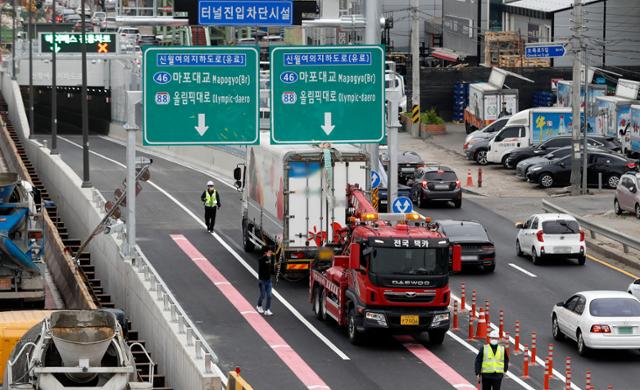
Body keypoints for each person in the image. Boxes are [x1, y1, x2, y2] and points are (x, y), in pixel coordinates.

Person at [256, 246, 274, 316]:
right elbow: (262, 270)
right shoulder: (261, 260)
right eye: (269, 251)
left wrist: (274, 269)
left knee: (269, 296)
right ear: (265, 252)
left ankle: (267, 309)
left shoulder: (271, 258)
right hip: (262, 281)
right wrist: (267, 259)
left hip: (269, 280)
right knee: (263, 295)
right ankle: (259, 305)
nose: (271, 252)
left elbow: (271, 269)